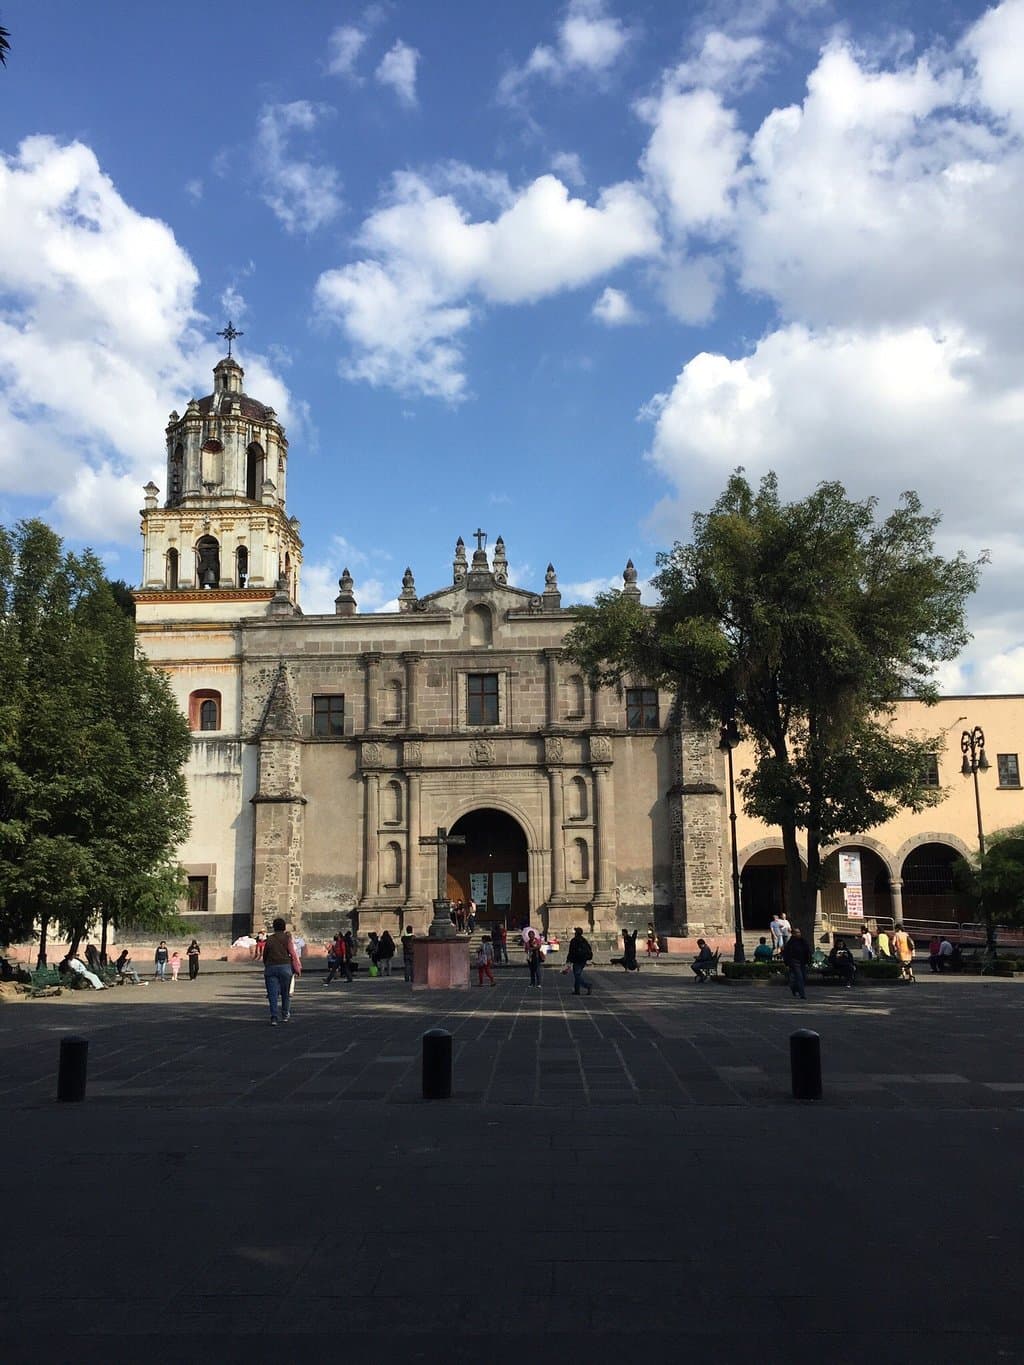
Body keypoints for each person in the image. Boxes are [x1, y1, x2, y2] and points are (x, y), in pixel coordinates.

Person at [263, 916, 301, 1024]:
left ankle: (274, 1017)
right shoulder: (287, 939)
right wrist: (297, 966)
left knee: (272, 994)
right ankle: (285, 1014)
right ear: (284, 927)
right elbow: (293, 953)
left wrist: (267, 964)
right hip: (285, 967)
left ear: (274, 927)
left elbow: (265, 954)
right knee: (285, 993)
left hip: (271, 968)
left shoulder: (270, 939)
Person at [782, 927, 811, 999]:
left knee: (804, 977)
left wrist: (809, 960)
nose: (798, 934)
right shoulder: (790, 943)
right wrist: (787, 963)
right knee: (799, 977)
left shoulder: (803, 941)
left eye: (799, 932)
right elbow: (786, 953)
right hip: (794, 962)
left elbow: (807, 951)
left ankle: (794, 988)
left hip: (802, 962)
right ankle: (802, 994)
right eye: (797, 932)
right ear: (793, 934)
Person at [565, 926, 594, 996]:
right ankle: (577, 990)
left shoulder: (574, 941)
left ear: (576, 933)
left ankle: (587, 986)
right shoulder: (584, 940)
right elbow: (589, 949)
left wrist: (568, 961)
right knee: (577, 975)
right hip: (583, 960)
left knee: (577, 976)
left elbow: (571, 952)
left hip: (577, 960)